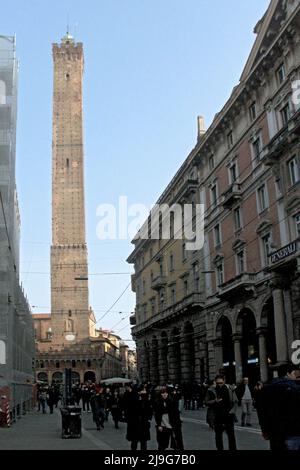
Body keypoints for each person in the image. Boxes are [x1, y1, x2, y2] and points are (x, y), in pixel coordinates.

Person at [259, 363, 300, 450]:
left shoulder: (266, 389)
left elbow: (262, 411)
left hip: (274, 432)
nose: (295, 376)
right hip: (293, 431)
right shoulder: (295, 389)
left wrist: (264, 430)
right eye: (293, 373)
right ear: (288, 374)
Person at [213, 375, 237, 451]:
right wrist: (214, 401)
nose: (219, 384)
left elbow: (235, 401)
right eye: (218, 383)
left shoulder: (229, 389)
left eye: (221, 382)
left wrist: (232, 411)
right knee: (218, 435)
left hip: (228, 415)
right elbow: (207, 401)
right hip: (217, 415)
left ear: (224, 381)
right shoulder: (212, 389)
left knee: (231, 435)